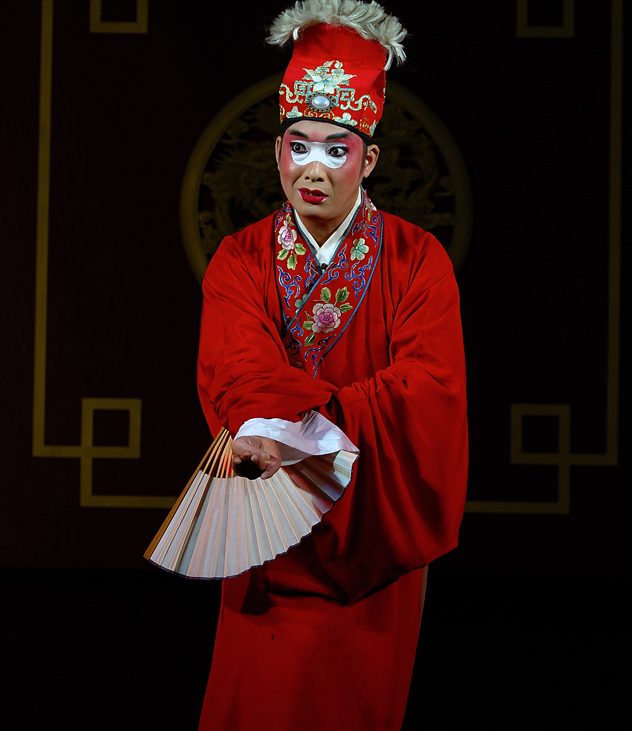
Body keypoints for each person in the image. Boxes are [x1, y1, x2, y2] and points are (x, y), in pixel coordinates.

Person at [194, 1, 468, 728]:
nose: (313, 169)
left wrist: (299, 430)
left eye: (336, 150)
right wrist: (270, 425)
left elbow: (428, 389)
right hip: (268, 541)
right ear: (276, 150)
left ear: (368, 159)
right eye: (299, 146)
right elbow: (236, 369)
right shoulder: (240, 260)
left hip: (369, 539)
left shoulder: (417, 262)